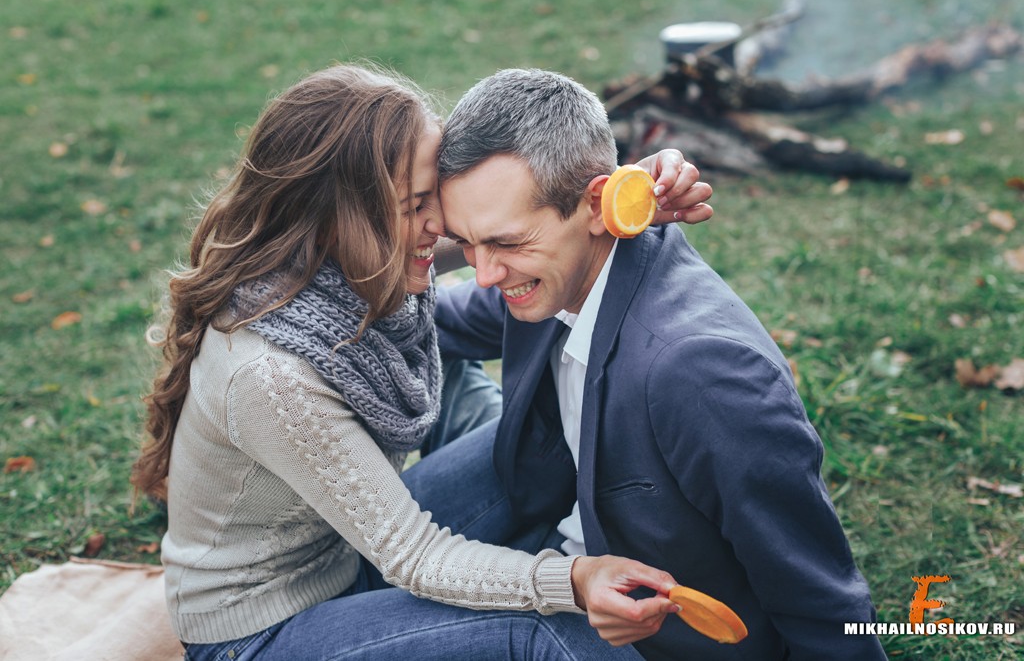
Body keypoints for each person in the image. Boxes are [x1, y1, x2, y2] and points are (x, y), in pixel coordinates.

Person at [130, 62, 714, 660]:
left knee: (534, 445)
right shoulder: (272, 373)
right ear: (342, 217)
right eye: (415, 206)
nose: (439, 225)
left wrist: (606, 199)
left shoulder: (338, 259)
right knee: (549, 629)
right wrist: (570, 581)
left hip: (343, 556)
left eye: (432, 195)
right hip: (261, 634)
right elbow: (414, 556)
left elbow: (492, 228)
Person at [426, 68, 887, 660]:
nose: (483, 273)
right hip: (564, 538)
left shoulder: (701, 373)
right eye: (466, 242)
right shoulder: (556, 272)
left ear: (598, 205)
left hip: (643, 639)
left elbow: (819, 596)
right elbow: (422, 314)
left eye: (507, 243)